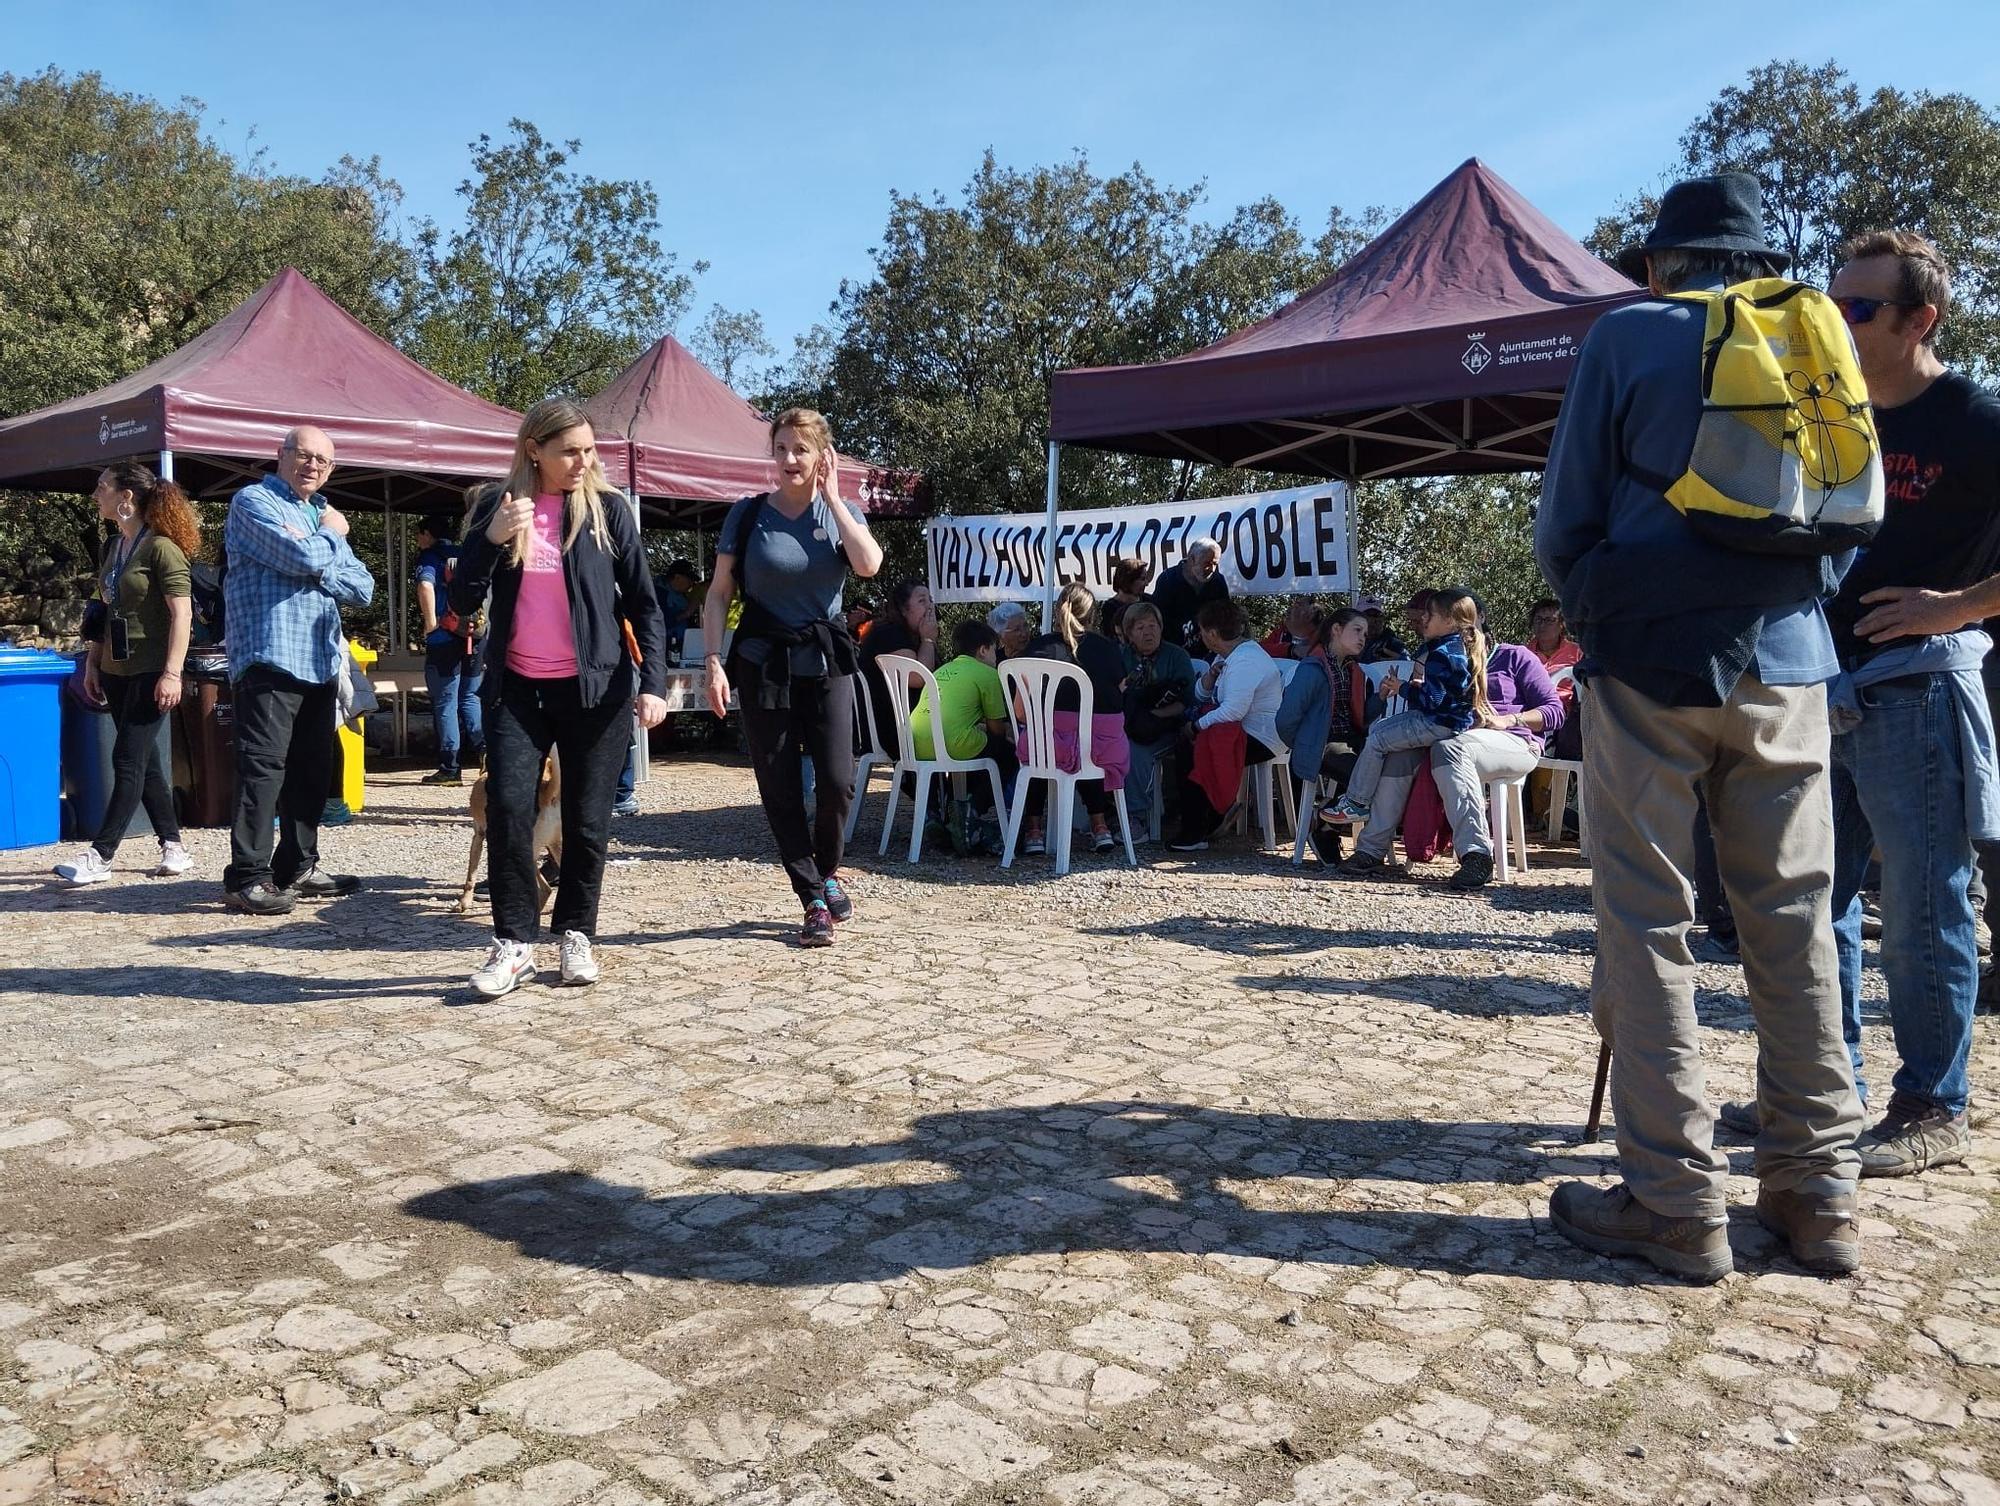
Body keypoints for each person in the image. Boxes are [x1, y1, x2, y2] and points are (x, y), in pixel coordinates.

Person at [1534, 172, 1865, 1282]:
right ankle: (1816, 1198)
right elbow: (1846, 519)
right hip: (1790, 663)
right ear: (1759, 256)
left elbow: (1564, 518)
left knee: (1646, 922)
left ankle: (1673, 1203)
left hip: (1646, 661)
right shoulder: (1812, 330)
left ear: (1660, 263)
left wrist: (1601, 600)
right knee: (1794, 924)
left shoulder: (1624, 336)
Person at [1748, 229, 2000, 1178]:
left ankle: (1935, 1103)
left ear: (1918, 320)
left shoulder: (1974, 417)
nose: (1833, 320)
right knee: (1818, 905)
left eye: (1855, 308)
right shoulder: (1831, 413)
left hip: (1920, 688)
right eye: (1831, 301)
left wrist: (1961, 605)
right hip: (1823, 688)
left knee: (1926, 903)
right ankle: (1826, 1094)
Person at [453, 400, 668, 997]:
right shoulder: (501, 507)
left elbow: (644, 605)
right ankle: (513, 944)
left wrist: (652, 684)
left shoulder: (609, 511)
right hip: (517, 690)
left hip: (595, 690)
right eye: (569, 451)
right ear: (534, 450)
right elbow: (464, 599)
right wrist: (490, 541)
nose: (582, 462)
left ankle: (576, 933)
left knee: (588, 818)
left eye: (589, 450)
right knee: (509, 810)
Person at [704, 407, 885, 946]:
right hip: (764, 661)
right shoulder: (748, 513)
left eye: (801, 449)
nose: (789, 459)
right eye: (781, 448)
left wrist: (832, 499)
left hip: (825, 658)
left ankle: (827, 870)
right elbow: (718, 594)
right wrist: (713, 660)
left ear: (821, 455)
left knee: (837, 779)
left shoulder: (843, 511)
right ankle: (811, 896)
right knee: (779, 785)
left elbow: (870, 564)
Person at [221, 426, 375, 915]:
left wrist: (317, 558)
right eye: (304, 455)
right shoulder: (253, 502)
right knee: (263, 769)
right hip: (269, 654)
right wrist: (329, 538)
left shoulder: (316, 513)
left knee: (312, 769)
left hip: (318, 658)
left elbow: (364, 587)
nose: (312, 466)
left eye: (323, 461)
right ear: (281, 455)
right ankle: (247, 876)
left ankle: (298, 866)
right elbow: (300, 554)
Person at [1334, 593, 1563, 889]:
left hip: (1511, 741)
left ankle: (1477, 854)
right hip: (1456, 737)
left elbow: (1555, 712)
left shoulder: (1514, 656)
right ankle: (1371, 849)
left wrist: (1508, 720)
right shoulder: (1445, 658)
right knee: (1400, 752)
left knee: (1449, 749)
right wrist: (1417, 684)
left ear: (1477, 619)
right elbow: (1432, 710)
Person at [52, 461, 199, 886]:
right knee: (146, 760)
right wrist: (93, 662)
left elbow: (182, 613)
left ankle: (101, 854)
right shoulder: (113, 547)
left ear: (126, 497)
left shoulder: (162, 548)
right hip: (117, 668)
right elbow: (103, 609)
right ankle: (174, 847)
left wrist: (172, 673)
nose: (95, 495)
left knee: (126, 758)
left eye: (102, 487)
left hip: (153, 670)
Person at [1325, 590, 1486, 825]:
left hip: (1438, 723)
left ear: (1449, 621)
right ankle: (1359, 802)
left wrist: (1403, 688)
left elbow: (1434, 701)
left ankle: (1357, 802)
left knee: (1377, 737)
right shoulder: (1459, 648)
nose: (1423, 619)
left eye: (1430, 615)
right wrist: (1421, 686)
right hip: (1451, 722)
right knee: (1381, 730)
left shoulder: (1440, 653)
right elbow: (1449, 691)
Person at [1017, 581, 1130, 856]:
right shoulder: (1109, 649)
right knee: (1084, 745)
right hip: (1103, 746)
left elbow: (1021, 711)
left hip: (1050, 745)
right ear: (1092, 616)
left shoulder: (1037, 649)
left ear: (1057, 611)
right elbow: (1119, 695)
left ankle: (1033, 831)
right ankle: (1100, 826)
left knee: (1042, 751)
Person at [1165, 600, 1282, 852]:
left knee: (1191, 748)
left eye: (1202, 630)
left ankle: (1197, 828)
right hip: (1237, 729)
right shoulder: (1227, 655)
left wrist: (1196, 726)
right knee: (1190, 743)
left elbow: (1233, 711)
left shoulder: (1246, 660)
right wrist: (1209, 678)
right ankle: (1209, 818)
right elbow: (1201, 695)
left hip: (1262, 737)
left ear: (1213, 634)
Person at [1273, 606, 1372, 861]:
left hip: (1350, 741)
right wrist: (1304, 744)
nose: (1363, 637)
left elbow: (1360, 718)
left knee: (1384, 768)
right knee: (1363, 772)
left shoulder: (1352, 669)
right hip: (1323, 744)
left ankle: (1326, 824)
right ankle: (1326, 824)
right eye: (1357, 630)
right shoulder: (1312, 669)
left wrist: (1381, 697)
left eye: (1365, 633)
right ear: (1336, 630)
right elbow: (1286, 719)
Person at [909, 619, 1014, 827]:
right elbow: (997, 730)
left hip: (915, 743)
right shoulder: (988, 674)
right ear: (983, 650)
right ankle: (972, 809)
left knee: (975, 747)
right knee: (1009, 755)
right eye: (995, 650)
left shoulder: (942, 670)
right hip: (954, 744)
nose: (996, 656)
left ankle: (947, 813)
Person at [414, 512, 484, 787]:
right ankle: (486, 756)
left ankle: (449, 769)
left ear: (428, 534)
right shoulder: (465, 553)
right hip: (474, 636)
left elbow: (425, 585)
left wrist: (431, 623)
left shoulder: (430, 557)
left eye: (419, 534)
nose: (418, 540)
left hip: (444, 638)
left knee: (445, 701)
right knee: (471, 698)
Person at [1119, 601, 1196, 843]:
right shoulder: (1120, 657)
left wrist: (1152, 716)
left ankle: (1136, 818)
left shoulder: (1177, 656)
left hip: (1167, 726)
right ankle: (1102, 816)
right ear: (1129, 634)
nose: (1148, 632)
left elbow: (1185, 702)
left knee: (1135, 751)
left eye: (1152, 625)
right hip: (1123, 723)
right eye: (1140, 627)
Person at [1522, 597, 1584, 827]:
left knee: (1573, 730)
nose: (1543, 625)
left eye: (1549, 620)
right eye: (1538, 619)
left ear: (1562, 625)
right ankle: (1532, 815)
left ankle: (1569, 810)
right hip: (1532, 714)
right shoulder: (1522, 653)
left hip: (1569, 715)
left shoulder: (1577, 653)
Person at [859, 579, 939, 758]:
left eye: (930, 600)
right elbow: (918, 678)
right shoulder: (889, 634)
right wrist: (928, 641)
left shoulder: (914, 635)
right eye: (922, 601)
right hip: (891, 729)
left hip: (910, 724)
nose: (930, 607)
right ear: (903, 609)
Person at [1150, 539, 1229, 655]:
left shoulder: (1217, 581)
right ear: (1192, 559)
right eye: (1207, 563)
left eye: (1215, 564)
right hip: (1176, 653)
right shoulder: (1168, 580)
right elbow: (1158, 621)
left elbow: (1226, 617)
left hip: (1211, 653)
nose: (1211, 569)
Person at [1100, 556, 1155, 640]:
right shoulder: (1110, 608)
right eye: (1142, 579)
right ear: (1128, 580)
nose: (1146, 583)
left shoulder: (1149, 601)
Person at [1261, 595, 1317, 659]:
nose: (1291, 609)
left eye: (1299, 605)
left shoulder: (1320, 635)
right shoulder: (1281, 630)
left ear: (1310, 614)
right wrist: (1290, 650)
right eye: (1294, 605)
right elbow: (1261, 649)